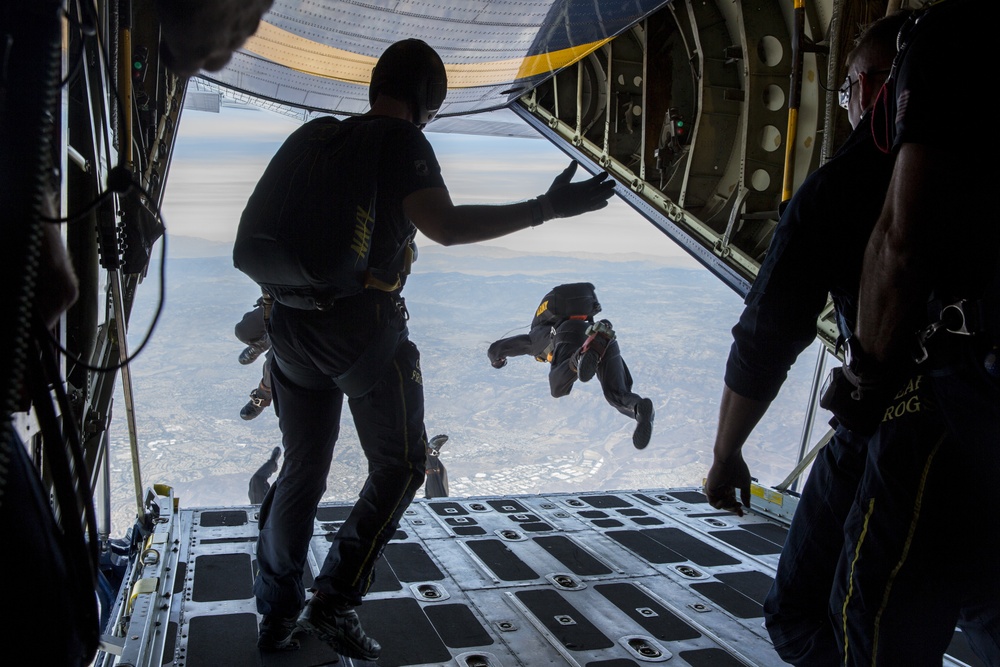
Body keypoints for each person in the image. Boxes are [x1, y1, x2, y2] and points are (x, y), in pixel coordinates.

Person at [250, 39, 616, 660]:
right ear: (427, 101)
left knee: (301, 474)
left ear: (375, 85)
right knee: (400, 467)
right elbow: (444, 227)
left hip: (286, 327)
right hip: (360, 335)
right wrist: (547, 208)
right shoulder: (402, 143)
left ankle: (276, 614)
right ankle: (334, 601)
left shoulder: (321, 138)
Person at [702, 12, 909, 665]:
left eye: (849, 88)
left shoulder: (845, 186)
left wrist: (727, 451)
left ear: (873, 87)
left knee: (802, 614)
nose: (848, 102)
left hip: (895, 426)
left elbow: (770, 328)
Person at [827, 0, 1000, 663]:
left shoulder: (947, 42)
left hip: (967, 384)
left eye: (851, 90)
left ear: (876, 82)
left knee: (876, 609)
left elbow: (900, 242)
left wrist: (866, 379)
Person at [487, 282, 655, 449]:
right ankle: (639, 409)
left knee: (557, 388)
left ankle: (579, 358)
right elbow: (498, 348)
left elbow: (496, 349)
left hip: (574, 335)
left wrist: (497, 363)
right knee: (618, 393)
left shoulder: (535, 341)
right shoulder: (584, 324)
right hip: (600, 332)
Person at [234, 297, 273, 420]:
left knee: (273, 365)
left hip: (317, 312)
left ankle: (263, 395)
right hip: (285, 300)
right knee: (244, 331)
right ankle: (263, 342)